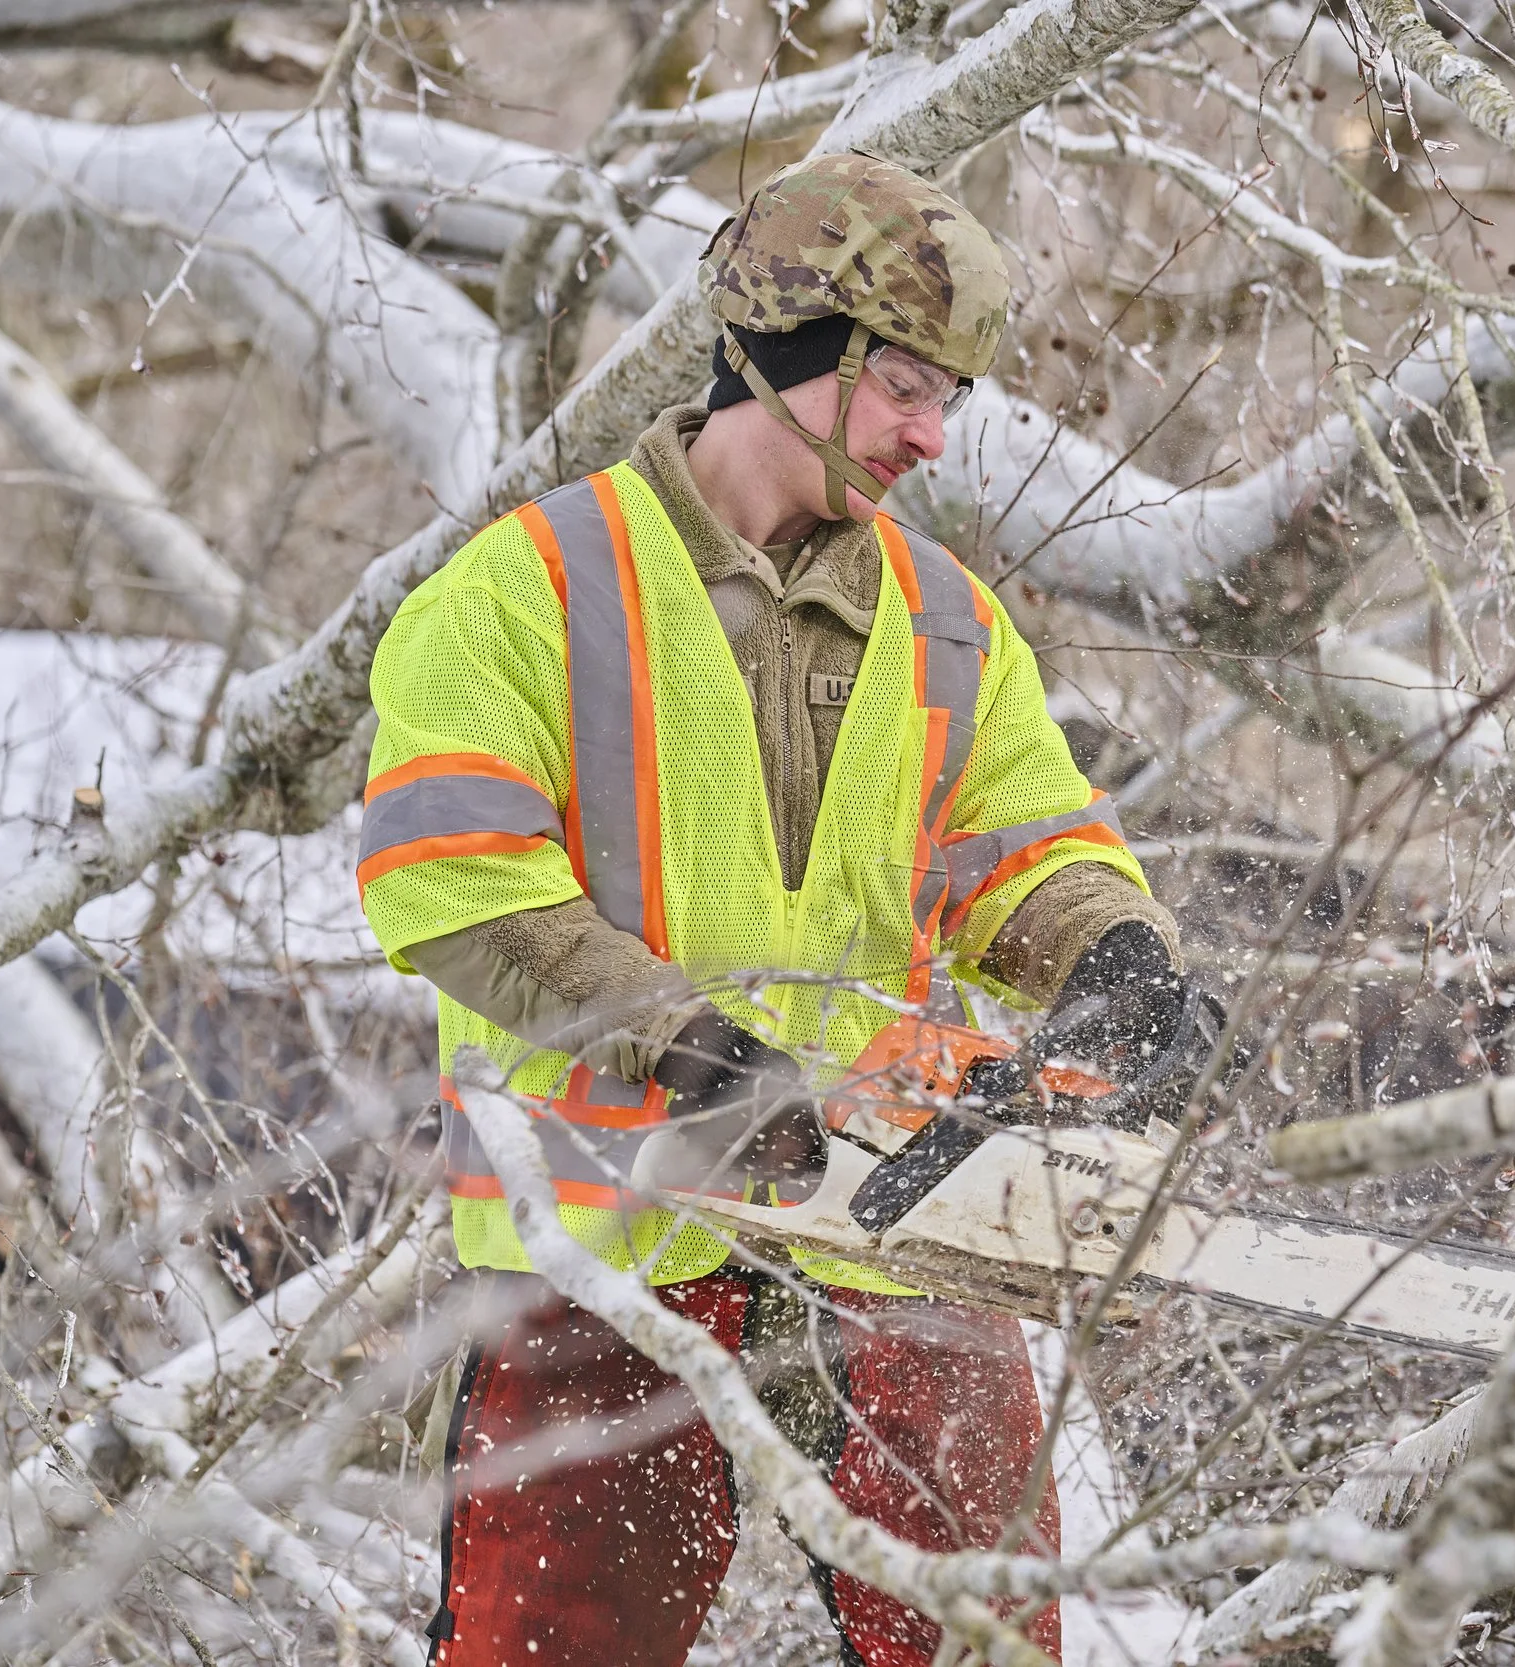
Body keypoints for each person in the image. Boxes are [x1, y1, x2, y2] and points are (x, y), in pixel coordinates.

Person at [356, 151, 1190, 1667]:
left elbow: (1025, 844)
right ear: (793, 350)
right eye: (909, 388)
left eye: (952, 400)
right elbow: (450, 877)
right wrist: (687, 1043)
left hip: (892, 1225)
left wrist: (1117, 955)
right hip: (601, 1252)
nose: (935, 436)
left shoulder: (949, 622)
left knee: (990, 1642)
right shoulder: (523, 589)